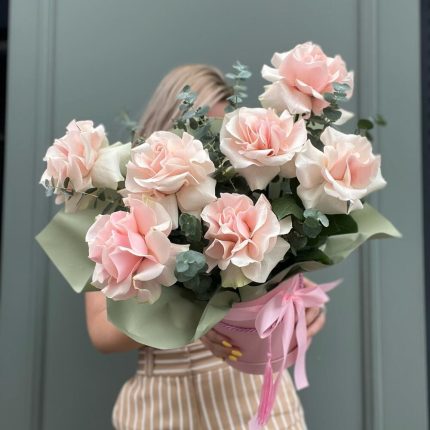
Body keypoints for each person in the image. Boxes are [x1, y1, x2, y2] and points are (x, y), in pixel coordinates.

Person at [85, 64, 326, 430]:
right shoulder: (116, 210)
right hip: (162, 405)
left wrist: (300, 310)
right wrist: (187, 308)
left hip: (250, 397)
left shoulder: (254, 199)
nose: (211, 149)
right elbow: (102, 332)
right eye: (201, 132)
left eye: (219, 136)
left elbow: (280, 288)